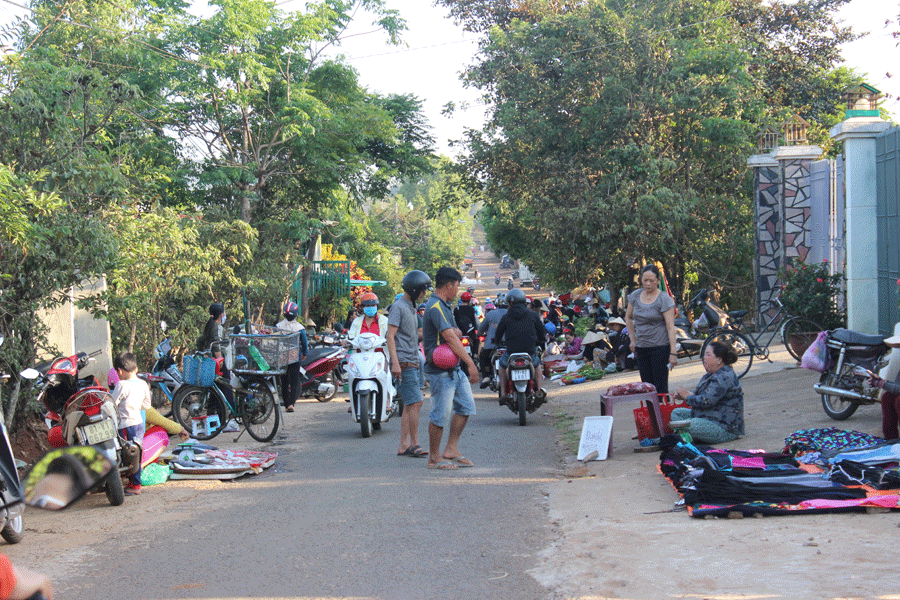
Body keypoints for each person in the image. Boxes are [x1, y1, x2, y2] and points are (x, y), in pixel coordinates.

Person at [423, 267, 479, 471]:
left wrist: (454, 333)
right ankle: (434, 458)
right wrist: (471, 364)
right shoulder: (435, 307)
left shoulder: (445, 306)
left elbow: (456, 331)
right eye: (456, 286)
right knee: (440, 414)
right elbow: (451, 338)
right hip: (440, 370)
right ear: (449, 285)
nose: (457, 290)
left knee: (465, 407)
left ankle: (451, 449)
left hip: (454, 367)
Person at [387, 270, 432, 458]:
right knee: (416, 401)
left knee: (409, 404)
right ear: (414, 290)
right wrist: (395, 363)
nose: (424, 294)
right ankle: (414, 443)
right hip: (404, 362)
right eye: (422, 290)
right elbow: (390, 336)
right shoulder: (398, 307)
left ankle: (403, 445)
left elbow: (413, 334)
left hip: (412, 360)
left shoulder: (411, 307)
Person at [670, 341, 745, 444]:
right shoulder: (710, 374)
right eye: (704, 354)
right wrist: (684, 395)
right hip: (708, 417)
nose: (704, 357)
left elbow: (707, 401)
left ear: (719, 360)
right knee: (677, 413)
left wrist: (687, 396)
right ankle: (688, 436)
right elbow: (699, 395)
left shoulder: (724, 377)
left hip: (723, 426)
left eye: (708, 354)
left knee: (692, 423)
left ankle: (685, 437)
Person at [625, 264, 677, 394]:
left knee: (660, 386)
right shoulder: (635, 296)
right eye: (645, 280)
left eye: (652, 281)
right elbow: (628, 317)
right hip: (642, 347)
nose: (648, 284)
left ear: (658, 281)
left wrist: (673, 353)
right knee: (646, 387)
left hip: (660, 347)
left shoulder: (664, 299)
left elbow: (670, 327)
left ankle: (661, 412)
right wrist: (632, 339)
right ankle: (650, 413)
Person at [494, 288, 546, 403]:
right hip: (529, 351)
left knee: (502, 366)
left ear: (510, 302)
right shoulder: (533, 315)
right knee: (537, 365)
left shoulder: (506, 317)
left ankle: (503, 393)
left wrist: (497, 342)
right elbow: (541, 332)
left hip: (511, 351)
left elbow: (498, 333)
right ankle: (539, 390)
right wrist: (540, 340)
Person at [111, 351, 151, 495]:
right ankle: (134, 482)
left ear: (120, 371)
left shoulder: (121, 385)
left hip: (126, 424)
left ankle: (135, 485)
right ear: (136, 369)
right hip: (139, 423)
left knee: (127, 453)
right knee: (136, 452)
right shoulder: (143, 384)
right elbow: (146, 405)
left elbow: (112, 404)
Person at [276, 301, 309, 413]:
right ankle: (291, 403)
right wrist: (304, 353)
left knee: (284, 380)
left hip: (282, 357)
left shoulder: (279, 326)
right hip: (294, 356)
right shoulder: (299, 327)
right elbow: (304, 342)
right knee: (294, 380)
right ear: (296, 314)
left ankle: (286, 403)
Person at [477, 293, 508, 388]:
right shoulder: (511, 314)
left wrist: (479, 334)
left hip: (492, 346)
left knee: (483, 357)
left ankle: (486, 377)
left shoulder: (490, 314)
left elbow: (481, 329)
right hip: (509, 345)